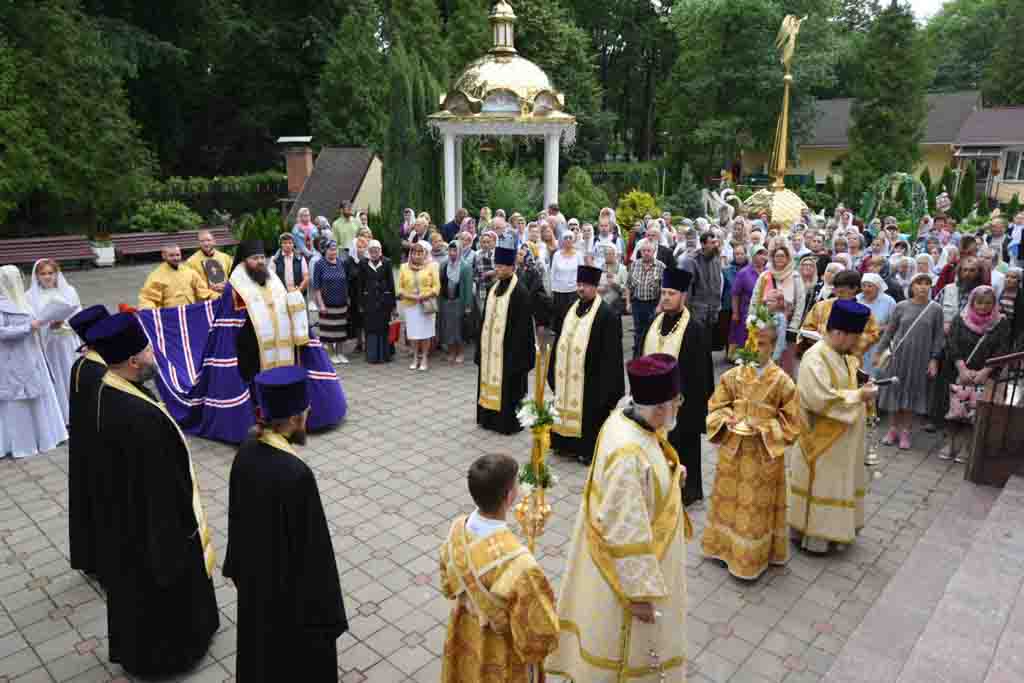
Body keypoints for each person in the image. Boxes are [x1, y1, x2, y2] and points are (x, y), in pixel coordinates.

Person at [88, 313, 218, 675]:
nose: (153, 353)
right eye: (147, 349)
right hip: (155, 523)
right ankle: (173, 655)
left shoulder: (111, 386)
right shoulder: (138, 416)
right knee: (161, 586)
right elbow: (160, 481)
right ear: (132, 362)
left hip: (130, 516)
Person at [547, 354, 690, 683]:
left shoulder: (624, 418)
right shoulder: (628, 454)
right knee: (622, 649)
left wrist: (670, 472)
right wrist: (639, 595)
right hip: (623, 579)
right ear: (658, 409)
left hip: (616, 562)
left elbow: (652, 458)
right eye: (676, 401)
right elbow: (626, 529)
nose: (678, 407)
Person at [134, 239, 346, 445]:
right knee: (254, 388)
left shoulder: (273, 279)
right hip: (247, 351)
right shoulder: (235, 286)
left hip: (277, 346)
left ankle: (285, 418)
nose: (260, 262)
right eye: (255, 258)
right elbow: (229, 324)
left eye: (262, 257)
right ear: (244, 261)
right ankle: (261, 421)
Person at [224, 366, 348, 682]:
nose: (308, 416)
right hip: (292, 599)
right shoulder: (296, 474)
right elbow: (314, 553)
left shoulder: (246, 450)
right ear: (293, 420)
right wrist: (329, 613)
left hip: (256, 584)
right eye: (306, 411)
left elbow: (236, 521)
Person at [439, 454, 559, 682]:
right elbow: (539, 635)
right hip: (500, 653)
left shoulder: (456, 531)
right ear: (509, 496)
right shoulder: (520, 563)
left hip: (464, 633)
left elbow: (447, 586)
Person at [703, 315, 802, 579]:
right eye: (751, 342)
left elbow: (793, 422)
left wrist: (765, 428)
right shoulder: (732, 376)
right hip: (733, 451)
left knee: (753, 510)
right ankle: (722, 549)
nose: (755, 349)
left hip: (762, 456)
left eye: (762, 344)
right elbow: (715, 406)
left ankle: (751, 560)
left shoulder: (783, 382)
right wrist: (726, 419)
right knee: (728, 503)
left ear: (773, 346)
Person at [790, 300, 876, 554]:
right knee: (824, 485)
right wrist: (859, 396)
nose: (857, 344)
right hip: (821, 439)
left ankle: (837, 532)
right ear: (839, 333)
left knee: (839, 482)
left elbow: (847, 379)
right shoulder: (814, 357)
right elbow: (819, 397)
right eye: (854, 338)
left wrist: (862, 382)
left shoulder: (843, 355)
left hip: (843, 440)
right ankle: (815, 538)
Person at [644, 268, 713, 506]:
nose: (665, 297)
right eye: (663, 292)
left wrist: (693, 409)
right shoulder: (655, 323)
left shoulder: (694, 329)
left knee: (684, 448)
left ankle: (686, 491)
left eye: (671, 293)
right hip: (653, 405)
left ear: (683, 296)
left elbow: (702, 375)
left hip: (683, 406)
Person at [549, 265, 626, 465]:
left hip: (592, 379)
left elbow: (612, 356)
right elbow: (559, 340)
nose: (581, 289)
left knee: (589, 416)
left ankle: (586, 451)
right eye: (579, 284)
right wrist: (552, 369)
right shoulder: (572, 308)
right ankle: (563, 444)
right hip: (567, 376)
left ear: (596, 287)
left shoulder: (607, 314)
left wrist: (608, 388)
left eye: (586, 285)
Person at [931, 286, 1009, 463]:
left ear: (994, 304)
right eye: (979, 302)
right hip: (958, 372)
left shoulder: (1000, 322)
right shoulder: (961, 319)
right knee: (953, 410)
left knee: (974, 412)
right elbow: (952, 343)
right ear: (972, 302)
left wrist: (985, 371)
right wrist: (962, 368)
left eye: (988, 303)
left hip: (985, 373)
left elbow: (1002, 348)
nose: (983, 307)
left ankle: (966, 447)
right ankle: (949, 443)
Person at [0, 265, 68, 458]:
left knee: (39, 394)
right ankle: (21, 443)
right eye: (13, 280)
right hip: (12, 360)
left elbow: (37, 325)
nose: (17, 283)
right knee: (18, 399)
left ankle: (46, 435)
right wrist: (29, 327)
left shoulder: (24, 302)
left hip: (33, 354)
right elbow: (3, 333)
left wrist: (50, 325)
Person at [875, 273, 943, 450]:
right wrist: (879, 351)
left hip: (920, 359)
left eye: (927, 283)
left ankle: (906, 431)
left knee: (912, 394)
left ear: (931, 287)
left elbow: (938, 337)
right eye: (918, 283)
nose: (922, 287)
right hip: (899, 357)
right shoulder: (901, 306)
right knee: (895, 393)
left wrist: (934, 359)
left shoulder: (936, 309)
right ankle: (892, 430)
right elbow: (889, 331)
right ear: (911, 286)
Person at [67, 305, 110, 581]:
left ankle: (91, 557)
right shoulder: (99, 372)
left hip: (86, 450)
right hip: (102, 454)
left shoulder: (82, 365)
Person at [476, 247, 536, 434]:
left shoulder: (520, 292)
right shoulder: (494, 288)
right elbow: (484, 320)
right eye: (497, 265)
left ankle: (507, 424)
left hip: (510, 354)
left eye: (502, 266)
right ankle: (488, 419)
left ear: (512, 267)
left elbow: (523, 329)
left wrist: (515, 356)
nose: (498, 269)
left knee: (509, 389)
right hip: (490, 351)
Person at [26, 258, 82, 423]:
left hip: (68, 342)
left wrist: (64, 322)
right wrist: (47, 326)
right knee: (58, 377)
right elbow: (31, 322)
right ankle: (63, 418)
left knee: (73, 376)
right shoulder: (30, 297)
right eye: (43, 274)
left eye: (51, 273)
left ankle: (80, 414)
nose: (48, 277)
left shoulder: (69, 291)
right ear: (36, 276)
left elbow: (78, 314)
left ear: (57, 274)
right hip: (50, 345)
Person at [801, 270, 880, 364]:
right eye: (835, 288)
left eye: (841, 290)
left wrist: (850, 343)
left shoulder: (863, 312)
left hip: (848, 360)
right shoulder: (821, 306)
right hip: (819, 357)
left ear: (854, 288)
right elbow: (806, 328)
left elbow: (873, 334)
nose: (837, 293)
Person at [752, 244, 806, 376]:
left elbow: (800, 301)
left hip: (788, 322)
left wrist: (794, 324)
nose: (780, 258)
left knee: (785, 357)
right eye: (777, 256)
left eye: (783, 256)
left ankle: (783, 387)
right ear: (772, 258)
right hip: (765, 322)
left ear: (788, 258)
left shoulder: (795, 276)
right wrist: (752, 317)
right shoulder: (765, 275)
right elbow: (756, 297)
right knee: (764, 353)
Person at [399, 240, 440, 371]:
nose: (417, 255)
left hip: (426, 304)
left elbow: (437, 287)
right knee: (413, 333)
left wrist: (426, 295)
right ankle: (415, 357)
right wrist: (409, 296)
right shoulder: (404, 267)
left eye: (420, 253)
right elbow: (399, 288)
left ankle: (425, 358)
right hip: (411, 304)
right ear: (411, 254)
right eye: (414, 252)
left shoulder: (431, 266)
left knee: (425, 333)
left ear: (425, 254)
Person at [682, 231, 724, 347]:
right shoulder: (692, 261)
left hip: (712, 308)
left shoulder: (716, 259)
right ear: (703, 244)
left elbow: (717, 283)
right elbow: (687, 288)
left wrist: (717, 304)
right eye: (712, 243)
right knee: (696, 342)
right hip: (697, 309)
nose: (715, 245)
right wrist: (686, 310)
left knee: (707, 342)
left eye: (716, 242)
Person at [312, 241, 351, 364]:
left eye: (335, 250)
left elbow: (346, 282)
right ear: (325, 250)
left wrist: (348, 298)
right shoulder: (319, 264)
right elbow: (316, 287)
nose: (333, 252)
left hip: (341, 302)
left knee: (340, 330)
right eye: (330, 250)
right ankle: (331, 353)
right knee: (328, 331)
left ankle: (340, 353)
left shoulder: (341, 263)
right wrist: (321, 304)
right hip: (326, 303)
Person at [138, 244, 212, 309]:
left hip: (190, 311)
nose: (176, 258)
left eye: (178, 255)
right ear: (163, 256)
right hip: (170, 315)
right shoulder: (156, 276)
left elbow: (203, 292)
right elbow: (147, 299)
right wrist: (149, 310)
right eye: (171, 255)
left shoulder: (189, 272)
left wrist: (217, 298)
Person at [358, 240, 396, 364]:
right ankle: (372, 356)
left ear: (380, 251)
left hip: (383, 301)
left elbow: (391, 284)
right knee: (371, 328)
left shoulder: (387, 262)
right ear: (368, 251)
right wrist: (361, 303)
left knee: (383, 328)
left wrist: (393, 305)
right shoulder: (363, 263)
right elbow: (360, 284)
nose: (374, 253)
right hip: (369, 301)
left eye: (377, 250)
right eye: (372, 250)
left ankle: (384, 355)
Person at [627, 239, 665, 358]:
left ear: (653, 251)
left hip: (653, 304)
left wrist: (660, 306)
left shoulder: (661, 266)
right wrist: (628, 303)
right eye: (644, 251)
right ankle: (637, 357)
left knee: (652, 331)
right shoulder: (634, 265)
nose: (646, 253)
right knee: (638, 332)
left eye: (649, 250)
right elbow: (628, 286)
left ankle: (651, 356)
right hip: (637, 303)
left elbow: (664, 289)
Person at [439, 240, 474, 364]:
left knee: (459, 328)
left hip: (460, 301)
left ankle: (460, 352)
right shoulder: (443, 265)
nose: (452, 253)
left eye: (455, 250)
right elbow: (441, 284)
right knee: (448, 328)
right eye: (450, 250)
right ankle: (451, 351)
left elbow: (468, 288)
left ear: (459, 251)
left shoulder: (465, 266)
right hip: (446, 301)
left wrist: (468, 306)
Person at [730, 245, 767, 358]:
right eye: (759, 254)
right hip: (746, 311)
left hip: (764, 312)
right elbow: (735, 294)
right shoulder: (744, 273)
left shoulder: (768, 272)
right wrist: (735, 312)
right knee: (744, 336)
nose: (762, 257)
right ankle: (742, 359)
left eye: (764, 254)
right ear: (753, 256)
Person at [857, 272, 897, 377]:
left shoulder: (889, 301)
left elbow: (894, 323)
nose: (866, 289)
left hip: (879, 343)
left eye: (870, 286)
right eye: (864, 285)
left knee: (875, 376)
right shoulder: (857, 299)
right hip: (858, 343)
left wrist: (881, 328)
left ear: (877, 287)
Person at [183, 230, 233, 298]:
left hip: (226, 295)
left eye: (208, 240)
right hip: (205, 300)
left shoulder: (226, 257)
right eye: (202, 241)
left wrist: (226, 286)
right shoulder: (190, 262)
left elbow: (234, 277)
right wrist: (210, 290)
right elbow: (191, 285)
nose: (206, 244)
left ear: (214, 241)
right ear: (198, 243)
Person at [550, 232, 582, 334]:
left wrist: (581, 288)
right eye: (565, 238)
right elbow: (552, 273)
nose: (568, 240)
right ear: (562, 240)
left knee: (573, 317)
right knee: (560, 319)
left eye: (570, 237)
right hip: (559, 291)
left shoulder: (578, 254)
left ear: (573, 240)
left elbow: (581, 272)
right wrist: (552, 289)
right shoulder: (557, 255)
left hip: (574, 291)